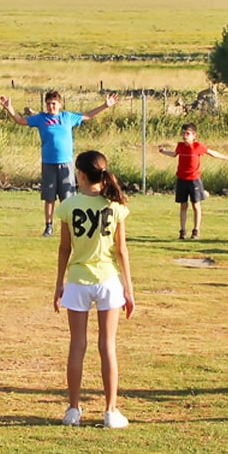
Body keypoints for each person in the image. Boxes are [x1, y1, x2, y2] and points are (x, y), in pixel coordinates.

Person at [53, 150, 136, 428]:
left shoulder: (68, 205)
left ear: (80, 174)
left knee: (77, 345)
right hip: (108, 280)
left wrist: (58, 284)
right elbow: (121, 250)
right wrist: (129, 289)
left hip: (78, 280)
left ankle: (73, 409)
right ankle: (111, 411)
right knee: (107, 346)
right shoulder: (115, 205)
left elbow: (65, 249)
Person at [1, 90, 119, 236]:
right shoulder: (41, 118)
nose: (51, 107)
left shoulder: (67, 117)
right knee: (49, 198)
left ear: (60, 104)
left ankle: (69, 226)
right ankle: (48, 227)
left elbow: (88, 115)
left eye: (54, 104)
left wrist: (105, 106)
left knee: (68, 197)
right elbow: (21, 120)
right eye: (49, 104)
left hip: (66, 164)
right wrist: (9, 109)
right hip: (48, 163)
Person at [156, 122, 228, 240]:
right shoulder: (180, 146)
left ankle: (196, 230)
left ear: (194, 135)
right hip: (182, 179)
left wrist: (224, 157)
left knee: (196, 204)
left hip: (194, 180)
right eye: (183, 133)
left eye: (187, 133)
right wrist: (163, 151)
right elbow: (174, 154)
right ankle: (183, 231)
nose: (184, 136)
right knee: (183, 205)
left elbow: (211, 153)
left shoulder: (198, 146)